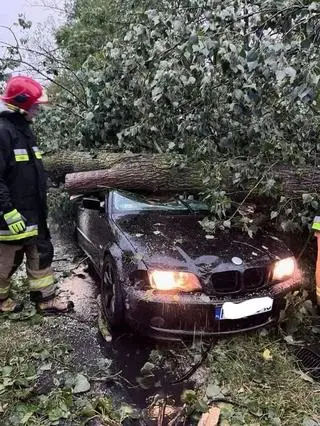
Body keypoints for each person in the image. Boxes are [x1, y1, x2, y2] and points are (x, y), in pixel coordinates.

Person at [0, 75, 73, 313]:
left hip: (34, 212)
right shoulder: (3, 132)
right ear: (20, 106)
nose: (37, 110)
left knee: (41, 253)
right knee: (6, 262)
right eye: (34, 106)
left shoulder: (25, 133)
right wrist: (8, 211)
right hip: (11, 216)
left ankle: (46, 299)